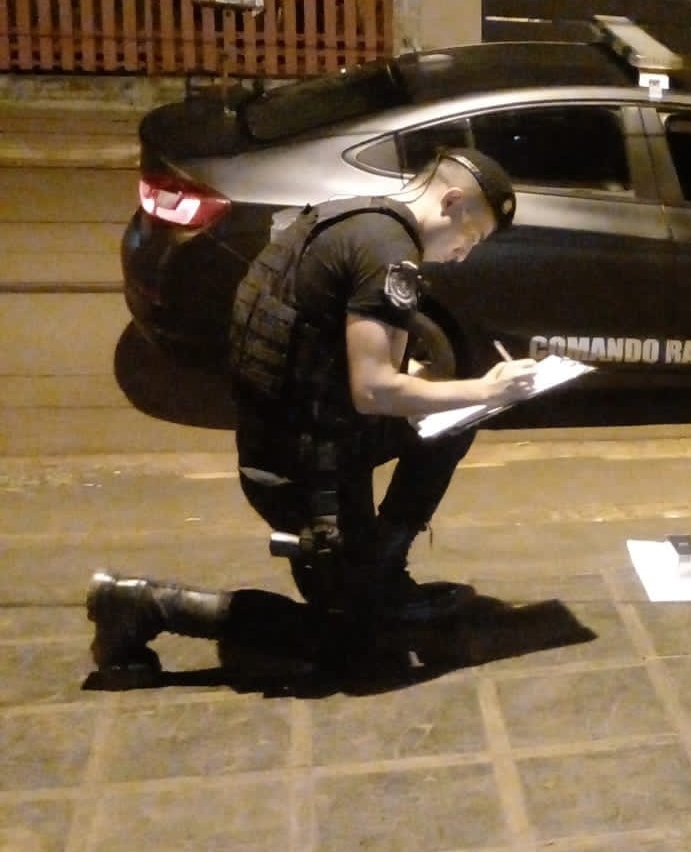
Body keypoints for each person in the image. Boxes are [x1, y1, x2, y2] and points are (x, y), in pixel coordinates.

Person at [88, 149, 540, 681]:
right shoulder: (389, 254)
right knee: (352, 646)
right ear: (452, 202)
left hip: (305, 431)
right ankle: (143, 605)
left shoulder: (357, 217)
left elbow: (326, 344)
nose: (464, 255)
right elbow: (373, 390)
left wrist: (445, 386)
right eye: (472, 236)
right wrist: (485, 389)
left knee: (454, 424)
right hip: (302, 469)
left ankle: (377, 572)